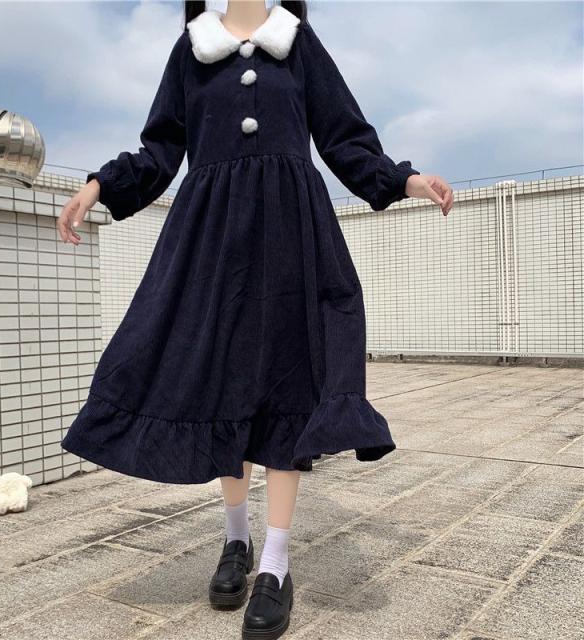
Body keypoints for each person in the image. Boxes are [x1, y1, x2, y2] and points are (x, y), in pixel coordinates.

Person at [57, 1, 453, 638]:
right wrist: (99, 185)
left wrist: (402, 179)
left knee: (288, 387)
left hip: (290, 234)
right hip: (212, 240)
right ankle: (235, 539)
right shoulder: (192, 50)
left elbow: (344, 135)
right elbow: (161, 148)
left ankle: (276, 563)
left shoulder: (298, 43)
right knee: (220, 380)